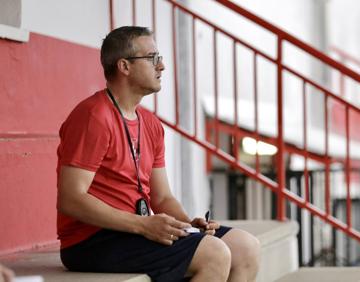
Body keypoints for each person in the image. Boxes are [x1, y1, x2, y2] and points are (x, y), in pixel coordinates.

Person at [57, 26, 260, 282]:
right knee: (214, 254)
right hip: (91, 240)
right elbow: (71, 199)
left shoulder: (150, 123)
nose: (161, 66)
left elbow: (162, 197)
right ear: (124, 66)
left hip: (135, 230)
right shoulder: (93, 116)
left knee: (246, 248)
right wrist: (143, 225)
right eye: (153, 58)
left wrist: (187, 223)